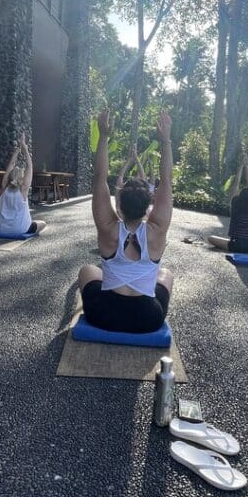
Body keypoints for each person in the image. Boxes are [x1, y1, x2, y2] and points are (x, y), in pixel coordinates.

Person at [78, 109, 174, 333]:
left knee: (87, 270)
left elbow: (99, 178)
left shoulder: (108, 227)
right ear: (147, 206)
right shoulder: (157, 229)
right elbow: (166, 181)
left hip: (103, 315)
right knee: (166, 274)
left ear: (119, 205)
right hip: (147, 320)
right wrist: (166, 140)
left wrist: (103, 136)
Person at [0, 133, 46, 237]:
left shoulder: (4, 186)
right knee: (43, 223)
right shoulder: (23, 190)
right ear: (21, 178)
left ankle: (3, 226)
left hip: (1, 228)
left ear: (10, 177)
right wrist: (24, 147)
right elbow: (30, 166)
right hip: (21, 229)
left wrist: (18, 149)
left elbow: (11, 164)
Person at [207, 151, 248, 253]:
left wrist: (241, 166)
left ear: (241, 197)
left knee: (210, 238)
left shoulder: (236, 205)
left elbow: (236, 185)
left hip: (236, 245)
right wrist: (246, 166)